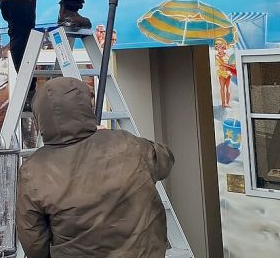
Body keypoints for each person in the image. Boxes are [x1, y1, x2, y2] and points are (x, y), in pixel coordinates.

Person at [16, 77, 174, 258]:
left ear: (40, 116)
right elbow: (165, 161)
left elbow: (33, 242)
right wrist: (106, 135)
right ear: (84, 106)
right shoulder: (129, 144)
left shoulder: (32, 171)